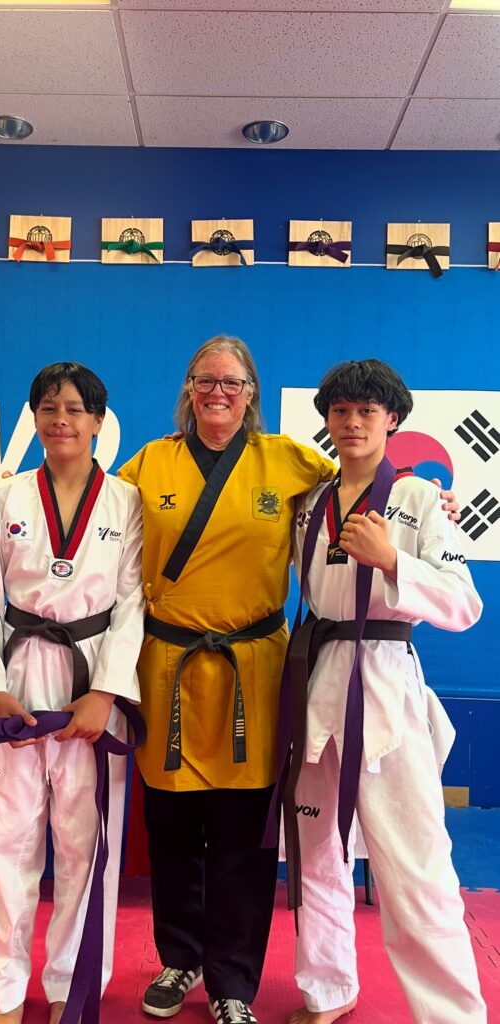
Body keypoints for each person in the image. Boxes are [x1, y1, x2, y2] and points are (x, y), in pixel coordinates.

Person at [116, 337, 459, 1024]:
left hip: (259, 668)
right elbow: (99, 518)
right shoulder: (150, 461)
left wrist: (428, 512)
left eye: (233, 381)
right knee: (174, 826)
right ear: (187, 388)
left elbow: (370, 484)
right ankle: (180, 957)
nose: (218, 391)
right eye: (205, 379)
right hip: (172, 667)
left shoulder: (289, 461)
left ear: (253, 392)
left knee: (246, 834)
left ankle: (233, 984)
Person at [285, 359, 486, 1024]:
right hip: (317, 682)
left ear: (391, 420)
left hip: (386, 683)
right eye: (339, 411)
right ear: (326, 421)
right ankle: (326, 988)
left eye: (365, 412)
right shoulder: (309, 504)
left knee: (416, 866)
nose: (351, 423)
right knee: (316, 859)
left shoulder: (422, 500)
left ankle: (451, 1014)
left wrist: (394, 558)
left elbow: (463, 603)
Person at [0, 362, 145, 1024]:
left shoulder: (126, 502)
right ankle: (2, 992)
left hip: (90, 676)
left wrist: (108, 695)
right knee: (4, 841)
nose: (59, 419)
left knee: (84, 842)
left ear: (98, 421)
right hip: (18, 673)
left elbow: (134, 604)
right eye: (47, 407)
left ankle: (73, 981)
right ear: (33, 418)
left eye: (74, 408)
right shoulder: (2, 500)